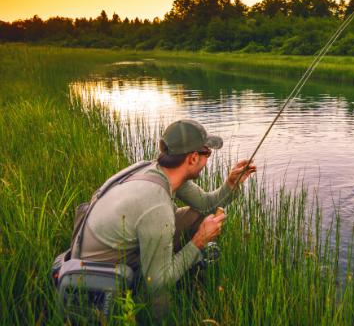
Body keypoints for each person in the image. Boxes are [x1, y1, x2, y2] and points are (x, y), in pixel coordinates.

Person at [73, 119, 256, 313]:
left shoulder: (158, 170)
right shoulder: (157, 205)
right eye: (207, 153)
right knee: (160, 290)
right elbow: (157, 283)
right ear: (193, 158)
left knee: (199, 215)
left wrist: (231, 183)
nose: (207, 159)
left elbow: (205, 205)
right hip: (102, 272)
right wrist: (199, 241)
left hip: (111, 246)